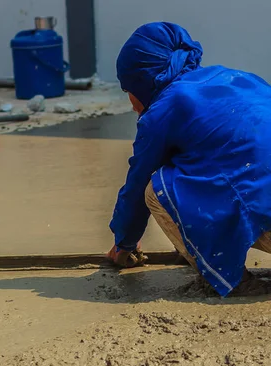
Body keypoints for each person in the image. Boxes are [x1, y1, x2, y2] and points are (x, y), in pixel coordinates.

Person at [107, 22, 271, 297]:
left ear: (143, 81)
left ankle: (231, 281)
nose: (132, 105)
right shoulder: (239, 78)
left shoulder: (167, 107)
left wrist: (124, 244)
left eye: (128, 91)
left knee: (156, 190)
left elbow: (136, 186)